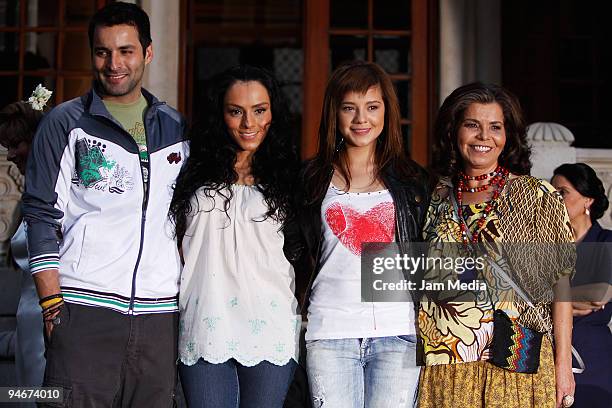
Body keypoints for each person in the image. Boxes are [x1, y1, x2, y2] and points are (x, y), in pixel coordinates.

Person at [21, 2, 188, 406]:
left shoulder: (176, 128)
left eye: (126, 51)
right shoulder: (65, 124)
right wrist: (51, 303)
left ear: (147, 53)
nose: (114, 64)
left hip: (158, 318)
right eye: (102, 52)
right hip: (83, 312)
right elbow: (41, 213)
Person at [417, 82, 575, 408]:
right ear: (454, 131)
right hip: (447, 364)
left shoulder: (536, 196)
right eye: (472, 125)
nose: (483, 137)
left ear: (508, 136)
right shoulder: (437, 197)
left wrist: (563, 367)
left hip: (516, 362)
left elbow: (561, 287)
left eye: (495, 127)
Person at [298, 61, 429, 407]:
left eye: (372, 107)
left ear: (387, 112)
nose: (361, 119)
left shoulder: (412, 181)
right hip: (329, 332)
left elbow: (431, 257)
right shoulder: (309, 180)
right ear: (334, 114)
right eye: (349, 108)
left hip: (396, 332)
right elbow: (293, 253)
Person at [170, 65, 302, 407]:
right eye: (236, 111)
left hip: (271, 323)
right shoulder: (188, 166)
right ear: (220, 114)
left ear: (273, 112)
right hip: (205, 321)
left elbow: (305, 252)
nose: (249, 123)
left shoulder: (291, 176)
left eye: (259, 111)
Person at [552, 163, 612, 408]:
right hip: (549, 352)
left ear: (588, 199)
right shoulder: (549, 244)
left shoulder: (606, 240)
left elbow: (600, 294)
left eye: (562, 192)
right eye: (551, 193)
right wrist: (570, 302)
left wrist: (552, 300)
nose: (554, 199)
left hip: (592, 355)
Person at [0, 100, 45, 398]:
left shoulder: (52, 197)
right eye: (7, 146)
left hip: (49, 319)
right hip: (28, 321)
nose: (11, 154)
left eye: (17, 144)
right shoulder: (30, 195)